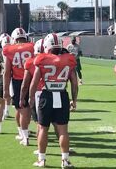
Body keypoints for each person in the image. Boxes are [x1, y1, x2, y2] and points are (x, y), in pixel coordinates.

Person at [29, 33, 78, 168]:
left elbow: (34, 82)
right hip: (62, 95)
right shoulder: (69, 59)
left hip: (47, 95)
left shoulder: (42, 59)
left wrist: (31, 97)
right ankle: (65, 161)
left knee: (43, 128)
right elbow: (74, 82)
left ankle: (42, 159)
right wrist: (74, 100)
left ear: (47, 45)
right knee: (63, 130)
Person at [3, 28, 34, 146]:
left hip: (18, 82)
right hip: (32, 80)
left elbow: (7, 72)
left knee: (21, 110)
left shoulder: (9, 49)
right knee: (30, 109)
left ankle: (25, 136)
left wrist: (6, 90)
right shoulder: (32, 46)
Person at [20, 39, 44, 154]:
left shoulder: (31, 62)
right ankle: (65, 151)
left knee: (39, 124)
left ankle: (40, 151)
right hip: (57, 93)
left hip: (38, 93)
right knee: (59, 124)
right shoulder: (56, 60)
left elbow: (25, 84)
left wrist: (22, 97)